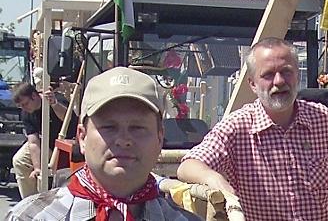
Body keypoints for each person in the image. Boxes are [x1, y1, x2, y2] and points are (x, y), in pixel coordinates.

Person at [177, 37, 328, 221]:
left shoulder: (322, 119)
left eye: (286, 71)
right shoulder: (237, 128)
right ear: (252, 84)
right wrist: (215, 179)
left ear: (297, 74)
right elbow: (188, 165)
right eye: (267, 75)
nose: (279, 81)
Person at [7, 67, 201, 221]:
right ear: (82, 138)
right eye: (108, 127)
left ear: (160, 138)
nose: (124, 140)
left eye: (138, 127)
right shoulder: (28, 217)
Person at [12, 83, 76, 199]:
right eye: (21, 106)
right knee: (19, 160)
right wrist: (37, 168)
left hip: (64, 144)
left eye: (25, 103)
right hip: (44, 144)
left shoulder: (54, 99)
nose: (24, 108)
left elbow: (68, 117)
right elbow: (33, 142)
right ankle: (30, 201)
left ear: (34, 96)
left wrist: (54, 104)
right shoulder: (27, 113)